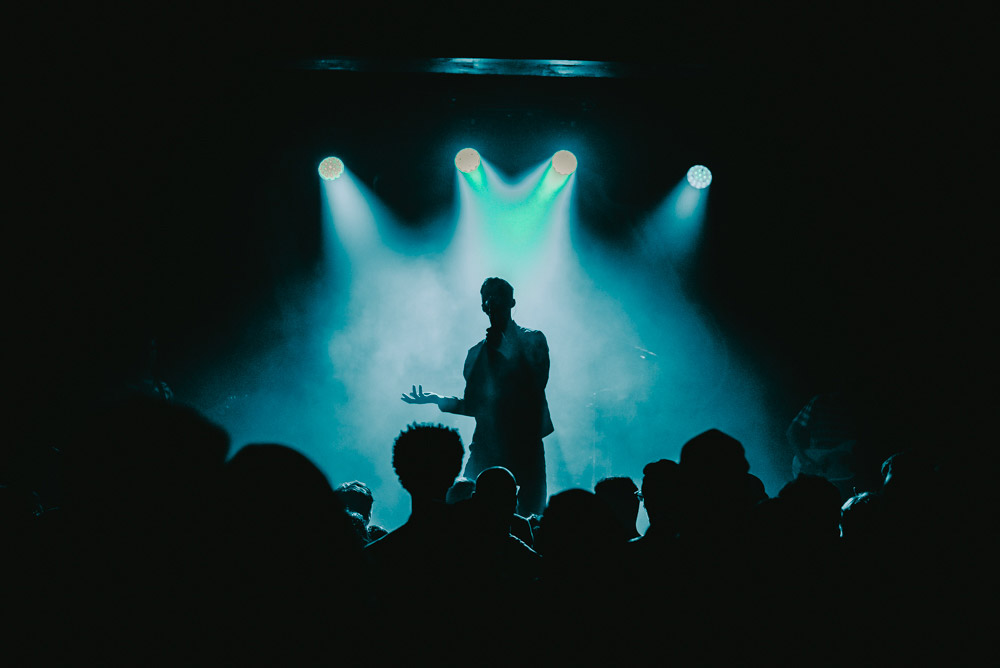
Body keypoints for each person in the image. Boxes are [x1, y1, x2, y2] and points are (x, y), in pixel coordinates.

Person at [401, 277, 553, 516]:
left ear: (512, 302)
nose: (492, 305)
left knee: (530, 513)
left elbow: (537, 384)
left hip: (525, 445)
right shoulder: (475, 353)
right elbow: (474, 405)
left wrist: (503, 350)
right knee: (461, 506)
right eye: (487, 300)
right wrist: (439, 400)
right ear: (483, 306)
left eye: (498, 299)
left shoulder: (533, 339)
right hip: (487, 445)